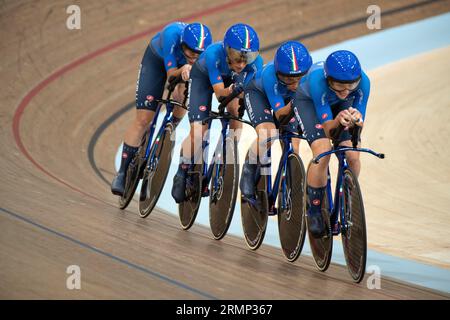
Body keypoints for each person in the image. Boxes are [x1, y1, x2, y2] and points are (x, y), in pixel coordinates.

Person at [111, 22, 212, 196]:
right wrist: (183, 70)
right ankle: (122, 172)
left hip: (184, 72)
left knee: (182, 98)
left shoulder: (205, 55)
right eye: (190, 51)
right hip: (157, 63)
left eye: (198, 54)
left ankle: (171, 124)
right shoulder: (172, 36)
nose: (194, 57)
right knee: (143, 120)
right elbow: (172, 74)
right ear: (182, 44)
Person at [171, 23, 263, 203]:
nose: (242, 64)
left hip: (231, 83)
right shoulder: (213, 54)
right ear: (227, 50)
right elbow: (221, 94)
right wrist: (238, 89)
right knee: (199, 132)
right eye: (237, 58)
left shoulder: (255, 64)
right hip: (203, 80)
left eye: (247, 58)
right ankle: (181, 172)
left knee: (235, 123)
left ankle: (224, 155)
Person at [292, 50, 370, 238]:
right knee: (323, 150)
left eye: (350, 85)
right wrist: (338, 121)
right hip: (309, 103)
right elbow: (328, 129)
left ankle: (349, 198)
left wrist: (356, 121)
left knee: (352, 154)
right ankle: (314, 209)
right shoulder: (318, 82)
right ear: (328, 80)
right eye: (339, 85)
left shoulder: (363, 83)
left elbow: (358, 127)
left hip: (338, 105)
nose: (345, 91)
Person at [239, 41, 312, 200]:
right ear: (279, 72)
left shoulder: (311, 77)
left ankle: (284, 190)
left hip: (288, 102)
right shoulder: (270, 75)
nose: (294, 84)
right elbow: (280, 115)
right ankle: (248, 171)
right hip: (259, 95)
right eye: (288, 79)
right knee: (268, 135)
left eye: (299, 78)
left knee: (293, 143)